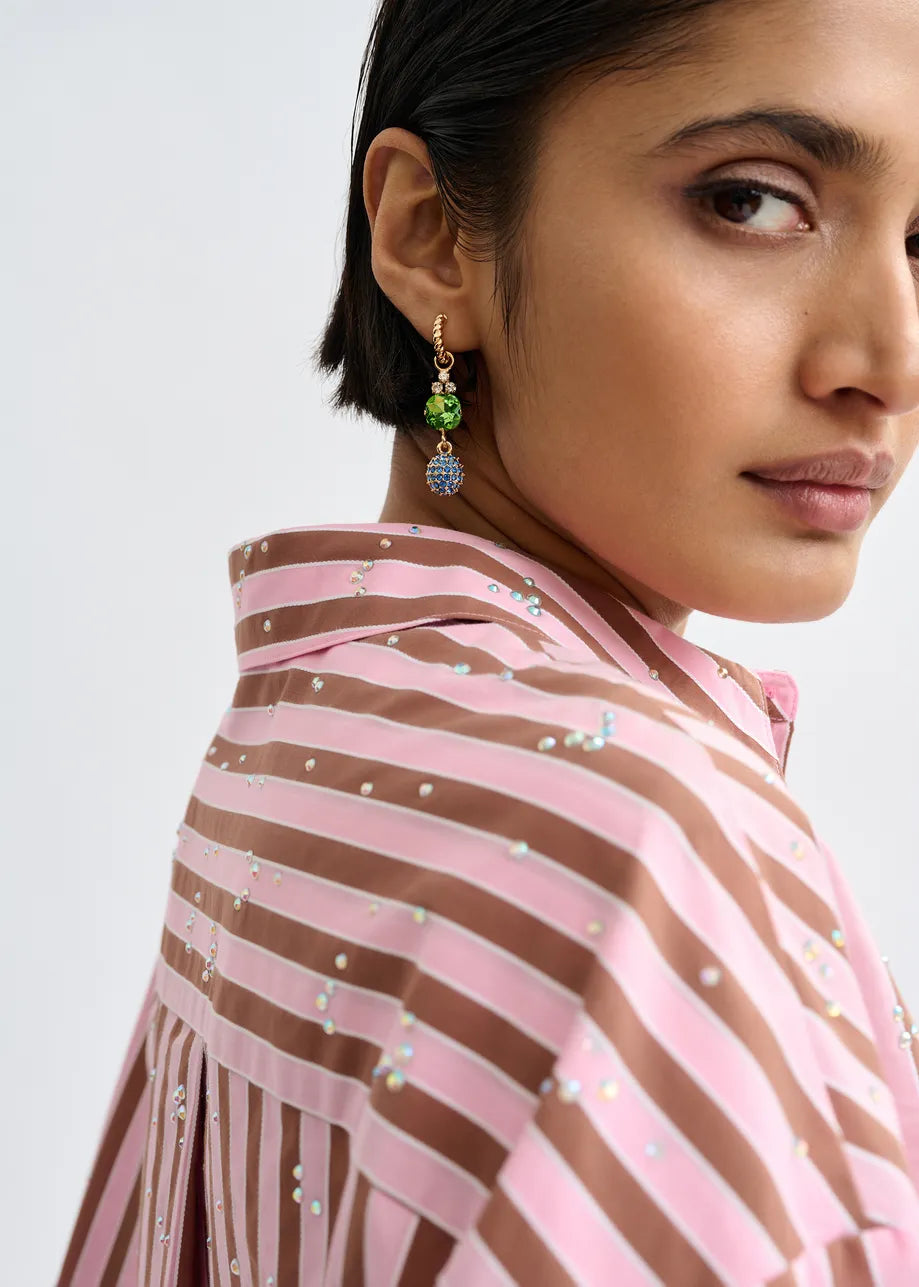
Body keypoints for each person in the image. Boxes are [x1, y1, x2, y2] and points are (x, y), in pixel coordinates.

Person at [58, 0, 919, 1282]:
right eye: (751, 201)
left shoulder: (310, 722)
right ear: (429, 234)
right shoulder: (633, 845)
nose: (889, 360)